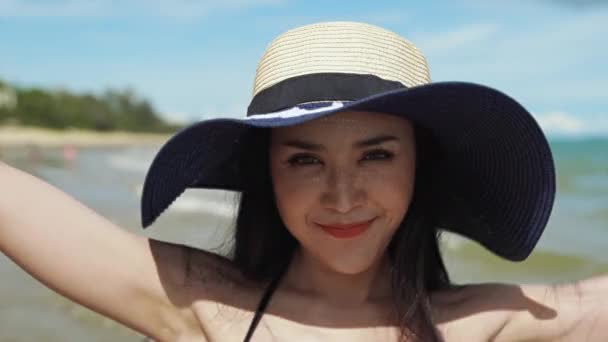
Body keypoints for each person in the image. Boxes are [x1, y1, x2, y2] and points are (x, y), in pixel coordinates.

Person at [0, 21, 606, 342]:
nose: (343, 196)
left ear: (419, 165)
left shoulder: (488, 320)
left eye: (376, 156)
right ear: (266, 171)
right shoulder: (203, 307)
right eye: (305, 160)